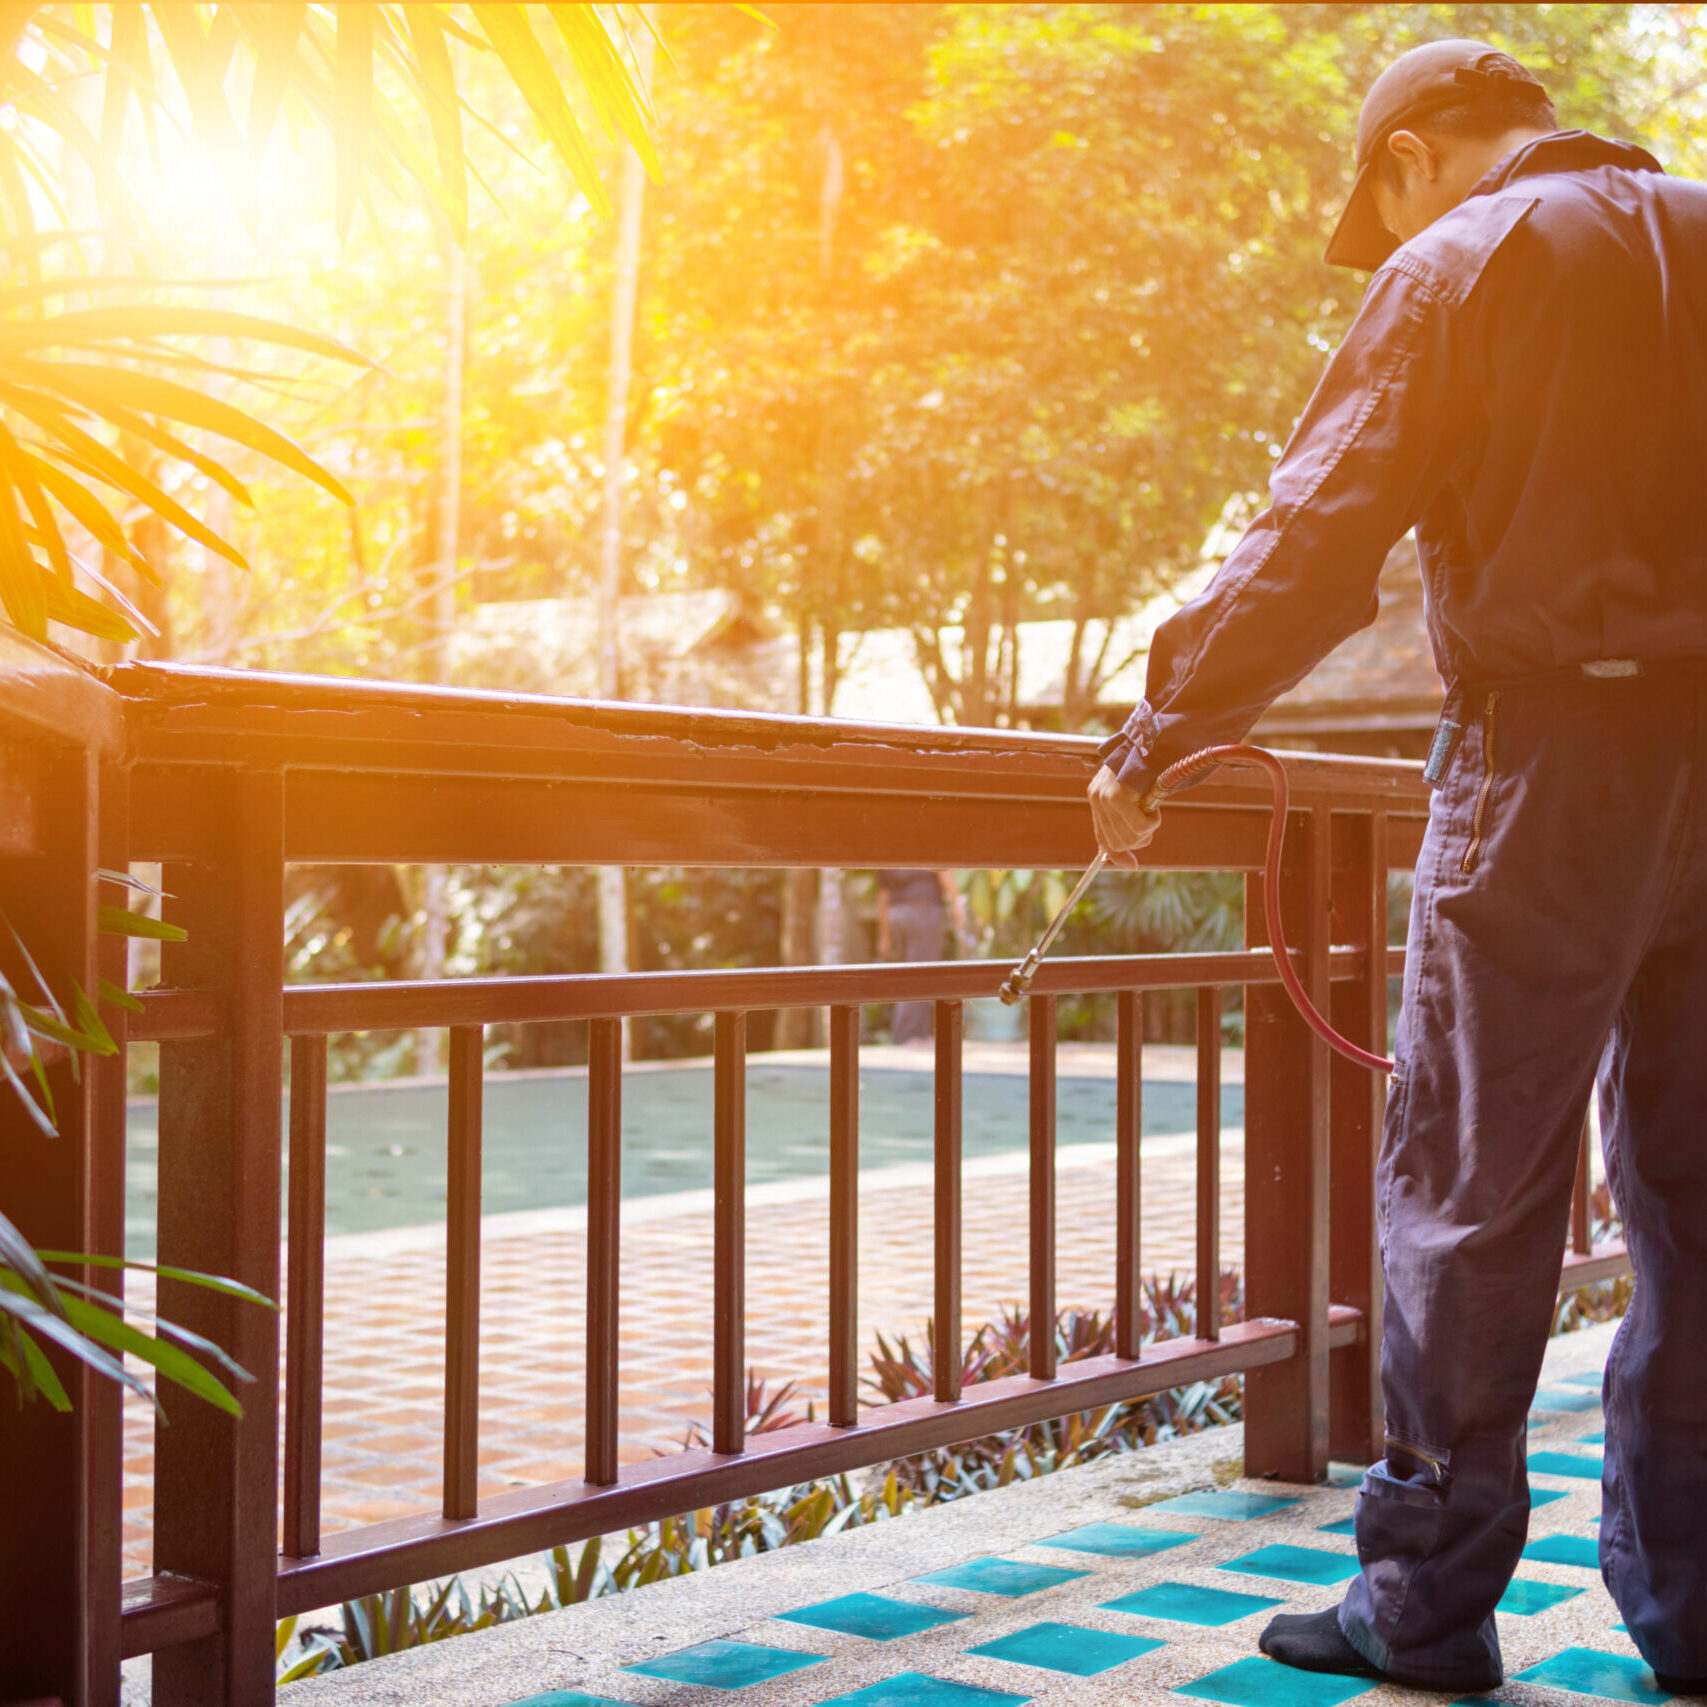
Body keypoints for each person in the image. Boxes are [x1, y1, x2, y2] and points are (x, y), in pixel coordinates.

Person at [1088, 39, 1707, 1696]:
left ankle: (1425, 1606)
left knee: (1466, 1193)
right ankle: (1698, 1609)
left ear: (1413, 155)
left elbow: (1315, 535)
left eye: (1373, 200)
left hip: (1544, 766)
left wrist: (1158, 726)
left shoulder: (1461, 261)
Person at [875, 869, 965, 1042]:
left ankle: (917, 1034)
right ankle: (907, 1036)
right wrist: (956, 904)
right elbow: (943, 870)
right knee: (922, 975)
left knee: (906, 977)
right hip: (923, 911)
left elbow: (883, 894)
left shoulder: (886, 846)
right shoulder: (927, 842)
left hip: (896, 915)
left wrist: (884, 937)